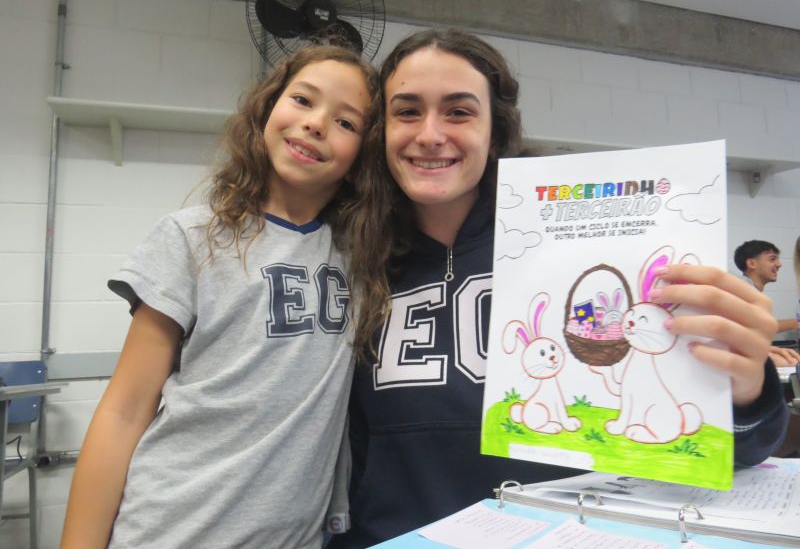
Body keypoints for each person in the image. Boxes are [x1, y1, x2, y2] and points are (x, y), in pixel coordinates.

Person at [331, 29, 790, 547]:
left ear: (495, 131)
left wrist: (745, 391)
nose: (431, 133)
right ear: (383, 131)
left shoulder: (579, 255)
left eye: (459, 112)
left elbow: (744, 453)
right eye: (408, 111)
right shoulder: (350, 259)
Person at [60, 44, 378, 549]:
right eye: (302, 99)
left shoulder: (360, 259)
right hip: (170, 531)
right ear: (268, 106)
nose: (316, 123)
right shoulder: (192, 237)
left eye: (346, 122)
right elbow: (124, 410)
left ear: (365, 150)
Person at [734, 239, 800, 365]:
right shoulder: (742, 291)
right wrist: (796, 323)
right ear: (752, 263)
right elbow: (753, 326)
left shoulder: (750, 290)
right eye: (772, 259)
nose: (779, 264)